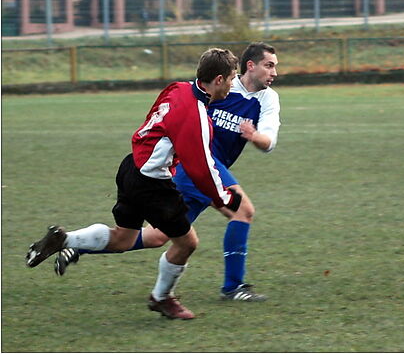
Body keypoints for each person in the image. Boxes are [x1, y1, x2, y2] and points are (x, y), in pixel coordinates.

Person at [54, 42, 281, 302]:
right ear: (250, 66)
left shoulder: (268, 99)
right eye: (269, 65)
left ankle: (78, 245)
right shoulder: (221, 86)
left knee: (157, 236)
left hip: (202, 171)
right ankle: (233, 287)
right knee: (243, 210)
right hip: (196, 164)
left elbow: (269, 142)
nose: (274, 72)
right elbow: (183, 109)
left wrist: (254, 137)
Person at [25, 48, 242, 320]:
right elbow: (201, 168)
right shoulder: (196, 115)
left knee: (123, 238)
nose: (233, 85)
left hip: (131, 167)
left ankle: (65, 239)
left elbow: (156, 122)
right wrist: (224, 198)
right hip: (152, 184)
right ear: (219, 79)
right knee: (187, 244)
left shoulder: (177, 88)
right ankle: (162, 298)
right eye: (233, 78)